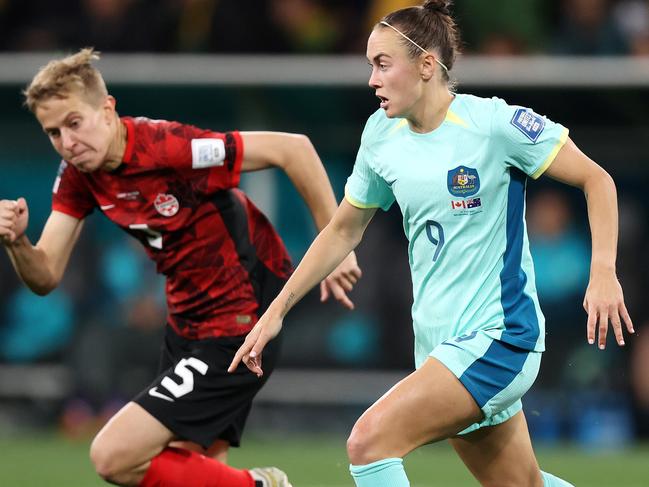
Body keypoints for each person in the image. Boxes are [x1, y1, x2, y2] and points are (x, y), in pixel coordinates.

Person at [229, 1, 635, 486]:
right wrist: (275, 312)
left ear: (426, 66)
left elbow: (598, 180)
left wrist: (603, 271)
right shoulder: (381, 134)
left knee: (368, 442)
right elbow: (343, 229)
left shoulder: (493, 125)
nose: (371, 80)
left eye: (382, 64)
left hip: (500, 338)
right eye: (369, 65)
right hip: (439, 346)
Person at [0, 48, 362, 487]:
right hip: (187, 326)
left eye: (74, 123)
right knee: (184, 473)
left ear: (108, 110)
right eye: (53, 133)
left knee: (113, 456)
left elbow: (294, 149)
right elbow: (46, 276)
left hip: (241, 325)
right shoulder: (79, 175)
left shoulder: (168, 147)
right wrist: (18, 242)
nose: (67, 142)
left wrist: (336, 243)